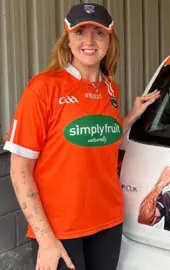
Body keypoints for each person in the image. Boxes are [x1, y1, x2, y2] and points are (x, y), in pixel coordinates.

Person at [3, 3, 160, 270]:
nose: (89, 41)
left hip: (108, 220)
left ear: (110, 40)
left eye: (98, 33)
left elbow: (100, 140)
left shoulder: (111, 88)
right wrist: (45, 237)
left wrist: (131, 116)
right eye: (80, 32)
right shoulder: (43, 88)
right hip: (60, 228)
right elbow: (19, 169)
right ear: (67, 39)